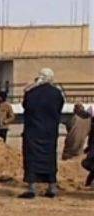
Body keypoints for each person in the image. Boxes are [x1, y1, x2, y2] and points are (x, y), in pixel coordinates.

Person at [19, 68, 65, 199]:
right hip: (50, 132)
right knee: (49, 158)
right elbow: (59, 108)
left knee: (32, 158)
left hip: (33, 131)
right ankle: (52, 187)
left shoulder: (31, 93)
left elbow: (25, 106)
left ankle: (32, 188)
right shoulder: (56, 93)